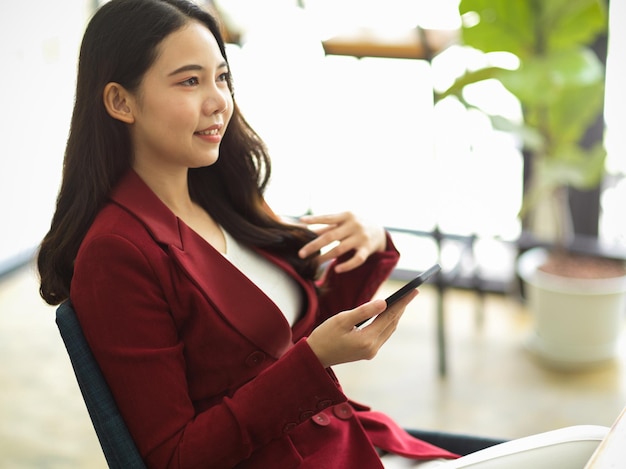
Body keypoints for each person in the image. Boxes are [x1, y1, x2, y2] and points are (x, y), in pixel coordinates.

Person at [37, 1, 608, 468]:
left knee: (592, 446)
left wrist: (369, 247)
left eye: (222, 76)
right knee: (587, 448)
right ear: (119, 101)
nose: (219, 102)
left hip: (354, 444)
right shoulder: (117, 253)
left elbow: (279, 344)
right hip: (308, 460)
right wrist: (312, 363)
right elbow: (173, 458)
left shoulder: (217, 198)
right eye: (189, 81)